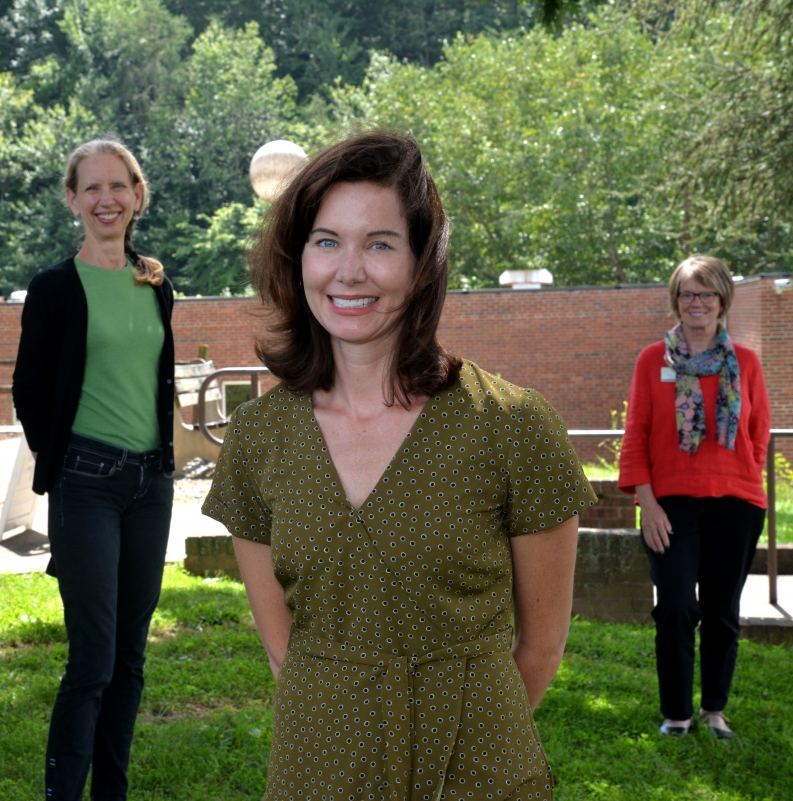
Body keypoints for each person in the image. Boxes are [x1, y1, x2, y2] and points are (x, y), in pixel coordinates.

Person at [202, 131, 596, 800]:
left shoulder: (512, 425)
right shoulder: (258, 437)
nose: (347, 271)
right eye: (327, 241)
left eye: (380, 243)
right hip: (317, 766)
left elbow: (541, 647)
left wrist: (462, 737)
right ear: (298, 258)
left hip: (477, 772)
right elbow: (283, 651)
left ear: (421, 264)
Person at [12, 139, 175, 801]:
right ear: (73, 200)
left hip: (150, 486)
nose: (106, 199)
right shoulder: (56, 288)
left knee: (131, 659)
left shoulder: (156, 281)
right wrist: (63, 458)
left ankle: (112, 792)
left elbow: (155, 379)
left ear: (137, 194)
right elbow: (30, 389)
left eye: (119, 186)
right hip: (86, 483)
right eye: (92, 188)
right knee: (93, 661)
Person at [618, 256, 770, 740]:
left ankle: (714, 710)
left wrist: (743, 476)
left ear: (722, 300)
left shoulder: (745, 362)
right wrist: (647, 502)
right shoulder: (652, 361)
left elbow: (758, 431)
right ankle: (677, 714)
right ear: (676, 301)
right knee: (679, 605)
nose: (696, 302)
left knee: (723, 609)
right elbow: (636, 434)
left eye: (706, 293)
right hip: (672, 504)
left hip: (737, 502)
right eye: (687, 293)